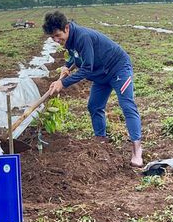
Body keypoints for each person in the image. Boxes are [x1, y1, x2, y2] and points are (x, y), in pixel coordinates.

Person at [43, 11, 144, 167]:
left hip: (118, 69)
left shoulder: (83, 37)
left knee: (127, 105)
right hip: (101, 73)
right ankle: (100, 141)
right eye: (52, 37)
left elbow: (87, 69)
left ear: (67, 28)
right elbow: (75, 56)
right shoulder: (70, 40)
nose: (56, 40)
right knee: (94, 106)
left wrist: (63, 84)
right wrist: (67, 66)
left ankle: (137, 149)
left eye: (58, 35)